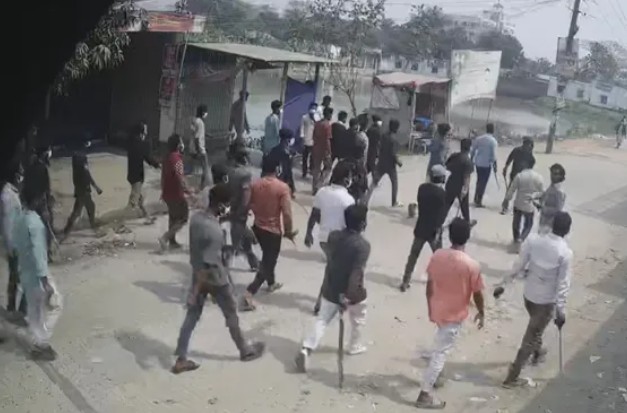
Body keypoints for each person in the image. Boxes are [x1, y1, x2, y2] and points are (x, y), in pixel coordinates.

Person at [171, 183, 265, 374]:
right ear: (222, 205)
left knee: (192, 316)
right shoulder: (214, 231)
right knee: (231, 314)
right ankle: (245, 350)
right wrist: (196, 291)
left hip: (197, 271)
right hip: (214, 279)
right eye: (228, 204)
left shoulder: (196, 219)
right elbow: (210, 264)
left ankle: (181, 357)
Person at [494, 212, 573, 388]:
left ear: (552, 224)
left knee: (535, 329)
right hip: (546, 302)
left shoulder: (533, 240)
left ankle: (538, 352)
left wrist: (504, 283)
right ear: (567, 230)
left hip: (529, 296)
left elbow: (519, 265)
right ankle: (512, 377)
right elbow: (563, 283)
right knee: (531, 337)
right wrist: (561, 310)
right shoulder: (565, 253)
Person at [415, 218, 485, 409]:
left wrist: (430, 307)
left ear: (449, 235)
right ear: (467, 237)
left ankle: (436, 377)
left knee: (440, 343)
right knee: (441, 353)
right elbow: (477, 294)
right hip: (454, 314)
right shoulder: (471, 265)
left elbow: (430, 285)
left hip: (438, 307)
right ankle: (425, 393)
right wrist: (481, 312)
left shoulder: (438, 255)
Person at [296, 204, 371, 373]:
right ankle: (354, 345)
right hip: (352, 291)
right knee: (359, 318)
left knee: (322, 320)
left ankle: (306, 348)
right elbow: (356, 273)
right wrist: (349, 295)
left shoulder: (334, 236)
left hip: (331, 286)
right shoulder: (363, 246)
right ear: (363, 224)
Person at [14, 183, 63, 361]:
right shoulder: (34, 223)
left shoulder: (20, 218)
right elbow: (38, 252)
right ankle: (41, 342)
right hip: (37, 274)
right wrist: (44, 279)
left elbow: (16, 245)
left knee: (35, 311)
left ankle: (37, 340)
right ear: (35, 199)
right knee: (56, 305)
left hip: (25, 271)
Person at [241, 156, 297, 311]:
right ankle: (249, 292)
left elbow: (246, 205)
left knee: (268, 257)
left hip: (257, 227)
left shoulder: (254, 185)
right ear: (277, 169)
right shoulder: (282, 188)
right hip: (273, 231)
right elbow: (287, 213)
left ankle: (271, 283)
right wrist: (289, 231)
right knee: (268, 262)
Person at [305, 161, 355, 314]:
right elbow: (351, 226)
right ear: (346, 179)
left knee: (333, 270)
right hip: (340, 242)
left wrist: (308, 233)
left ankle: (330, 301)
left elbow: (314, 215)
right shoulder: (348, 199)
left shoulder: (322, 192)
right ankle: (323, 303)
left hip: (324, 240)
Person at [400, 165, 447, 292]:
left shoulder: (422, 189)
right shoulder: (442, 194)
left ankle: (405, 281)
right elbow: (441, 216)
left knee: (413, 256)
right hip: (434, 231)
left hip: (420, 228)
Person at [227, 139, 260, 272]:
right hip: (239, 211)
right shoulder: (245, 174)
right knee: (237, 241)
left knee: (240, 237)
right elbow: (246, 196)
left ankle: (254, 262)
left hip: (232, 209)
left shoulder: (230, 172)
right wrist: (243, 211)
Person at [1, 161, 26, 317]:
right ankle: (21, 311)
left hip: (17, 242)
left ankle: (12, 308)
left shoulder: (12, 193)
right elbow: (7, 223)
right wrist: (11, 247)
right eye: (22, 172)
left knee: (15, 277)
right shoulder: (8, 196)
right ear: (16, 175)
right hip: (15, 245)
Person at [159, 134, 193, 251]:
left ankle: (172, 242)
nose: (183, 144)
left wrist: (163, 191)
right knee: (183, 218)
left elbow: (163, 177)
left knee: (173, 217)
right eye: (181, 142)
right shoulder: (177, 159)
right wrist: (189, 191)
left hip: (167, 193)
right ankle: (165, 237)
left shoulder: (167, 158)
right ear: (178, 145)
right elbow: (180, 177)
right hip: (176, 194)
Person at [61, 146, 103, 240]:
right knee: (89, 208)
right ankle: (93, 229)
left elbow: (83, 176)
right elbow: (87, 176)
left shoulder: (76, 161)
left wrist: (95, 187)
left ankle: (66, 231)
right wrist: (96, 187)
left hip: (80, 190)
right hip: (84, 191)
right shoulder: (82, 160)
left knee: (78, 211)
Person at [22, 146, 55, 261]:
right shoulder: (43, 168)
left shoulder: (28, 169)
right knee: (47, 226)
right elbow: (47, 188)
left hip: (30, 202)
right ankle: (48, 253)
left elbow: (24, 187)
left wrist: (26, 202)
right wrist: (48, 202)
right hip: (41, 201)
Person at [502, 158, 544, 246]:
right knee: (528, 224)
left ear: (525, 164)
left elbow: (512, 189)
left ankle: (516, 239)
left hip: (518, 203)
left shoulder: (519, 176)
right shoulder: (538, 177)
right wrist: (537, 200)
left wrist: (506, 200)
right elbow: (542, 193)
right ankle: (522, 238)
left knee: (516, 223)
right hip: (530, 204)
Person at [126, 122, 160, 224]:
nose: (146, 133)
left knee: (140, 198)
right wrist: (157, 165)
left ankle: (147, 217)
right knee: (134, 201)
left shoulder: (132, 143)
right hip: (137, 176)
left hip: (132, 175)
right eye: (145, 130)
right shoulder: (140, 144)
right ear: (141, 132)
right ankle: (121, 220)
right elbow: (148, 158)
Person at [367, 119, 403, 207]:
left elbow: (379, 147)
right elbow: (393, 153)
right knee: (394, 183)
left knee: (374, 181)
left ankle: (366, 200)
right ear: (396, 128)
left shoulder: (383, 136)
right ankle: (394, 202)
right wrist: (399, 162)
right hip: (390, 165)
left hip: (381, 163)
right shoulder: (394, 139)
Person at [443, 138, 475, 226]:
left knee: (446, 205)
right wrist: (465, 189)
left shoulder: (454, 156)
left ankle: (439, 222)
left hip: (451, 183)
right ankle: (467, 223)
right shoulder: (468, 161)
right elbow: (466, 177)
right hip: (461, 186)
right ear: (470, 148)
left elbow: (447, 166)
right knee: (464, 207)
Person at [471, 123, 498, 207]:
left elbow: (473, 150)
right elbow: (493, 155)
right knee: (483, 182)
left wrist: (471, 160)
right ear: (493, 130)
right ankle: (478, 200)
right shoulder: (493, 141)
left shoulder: (479, 139)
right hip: (486, 165)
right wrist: (495, 165)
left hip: (478, 163)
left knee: (479, 181)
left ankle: (476, 198)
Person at [266, 128, 296, 197]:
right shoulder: (286, 154)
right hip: (280, 185)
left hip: (269, 181)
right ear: (288, 140)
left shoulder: (273, 150)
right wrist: (291, 189)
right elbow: (287, 172)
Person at [537, 163, 567, 230]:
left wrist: (544, 208)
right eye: (552, 173)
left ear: (561, 176)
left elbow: (558, 209)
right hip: (543, 221)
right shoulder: (551, 186)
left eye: (555, 174)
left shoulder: (559, 191)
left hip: (550, 224)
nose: (552, 176)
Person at [312, 107, 334, 194]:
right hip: (324, 150)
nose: (331, 116)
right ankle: (319, 184)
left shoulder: (317, 123)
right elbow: (327, 140)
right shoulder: (327, 125)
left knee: (316, 168)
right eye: (331, 114)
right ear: (328, 114)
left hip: (316, 148)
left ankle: (314, 187)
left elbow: (313, 136)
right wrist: (329, 151)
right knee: (328, 168)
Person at [191, 104, 211, 190]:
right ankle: (202, 187)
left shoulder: (194, 120)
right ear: (203, 112)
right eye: (206, 112)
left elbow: (195, 133)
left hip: (193, 147)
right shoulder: (201, 123)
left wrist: (206, 135)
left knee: (200, 168)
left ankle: (201, 185)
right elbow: (197, 138)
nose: (207, 114)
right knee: (205, 169)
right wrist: (198, 151)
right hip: (200, 149)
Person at [301, 102, 318, 178]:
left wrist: (314, 119)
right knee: (305, 158)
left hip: (314, 141)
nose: (313, 109)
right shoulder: (304, 117)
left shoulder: (317, 118)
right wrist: (302, 138)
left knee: (313, 157)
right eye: (312, 108)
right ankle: (304, 172)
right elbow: (302, 128)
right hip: (306, 140)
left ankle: (311, 170)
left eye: (315, 108)